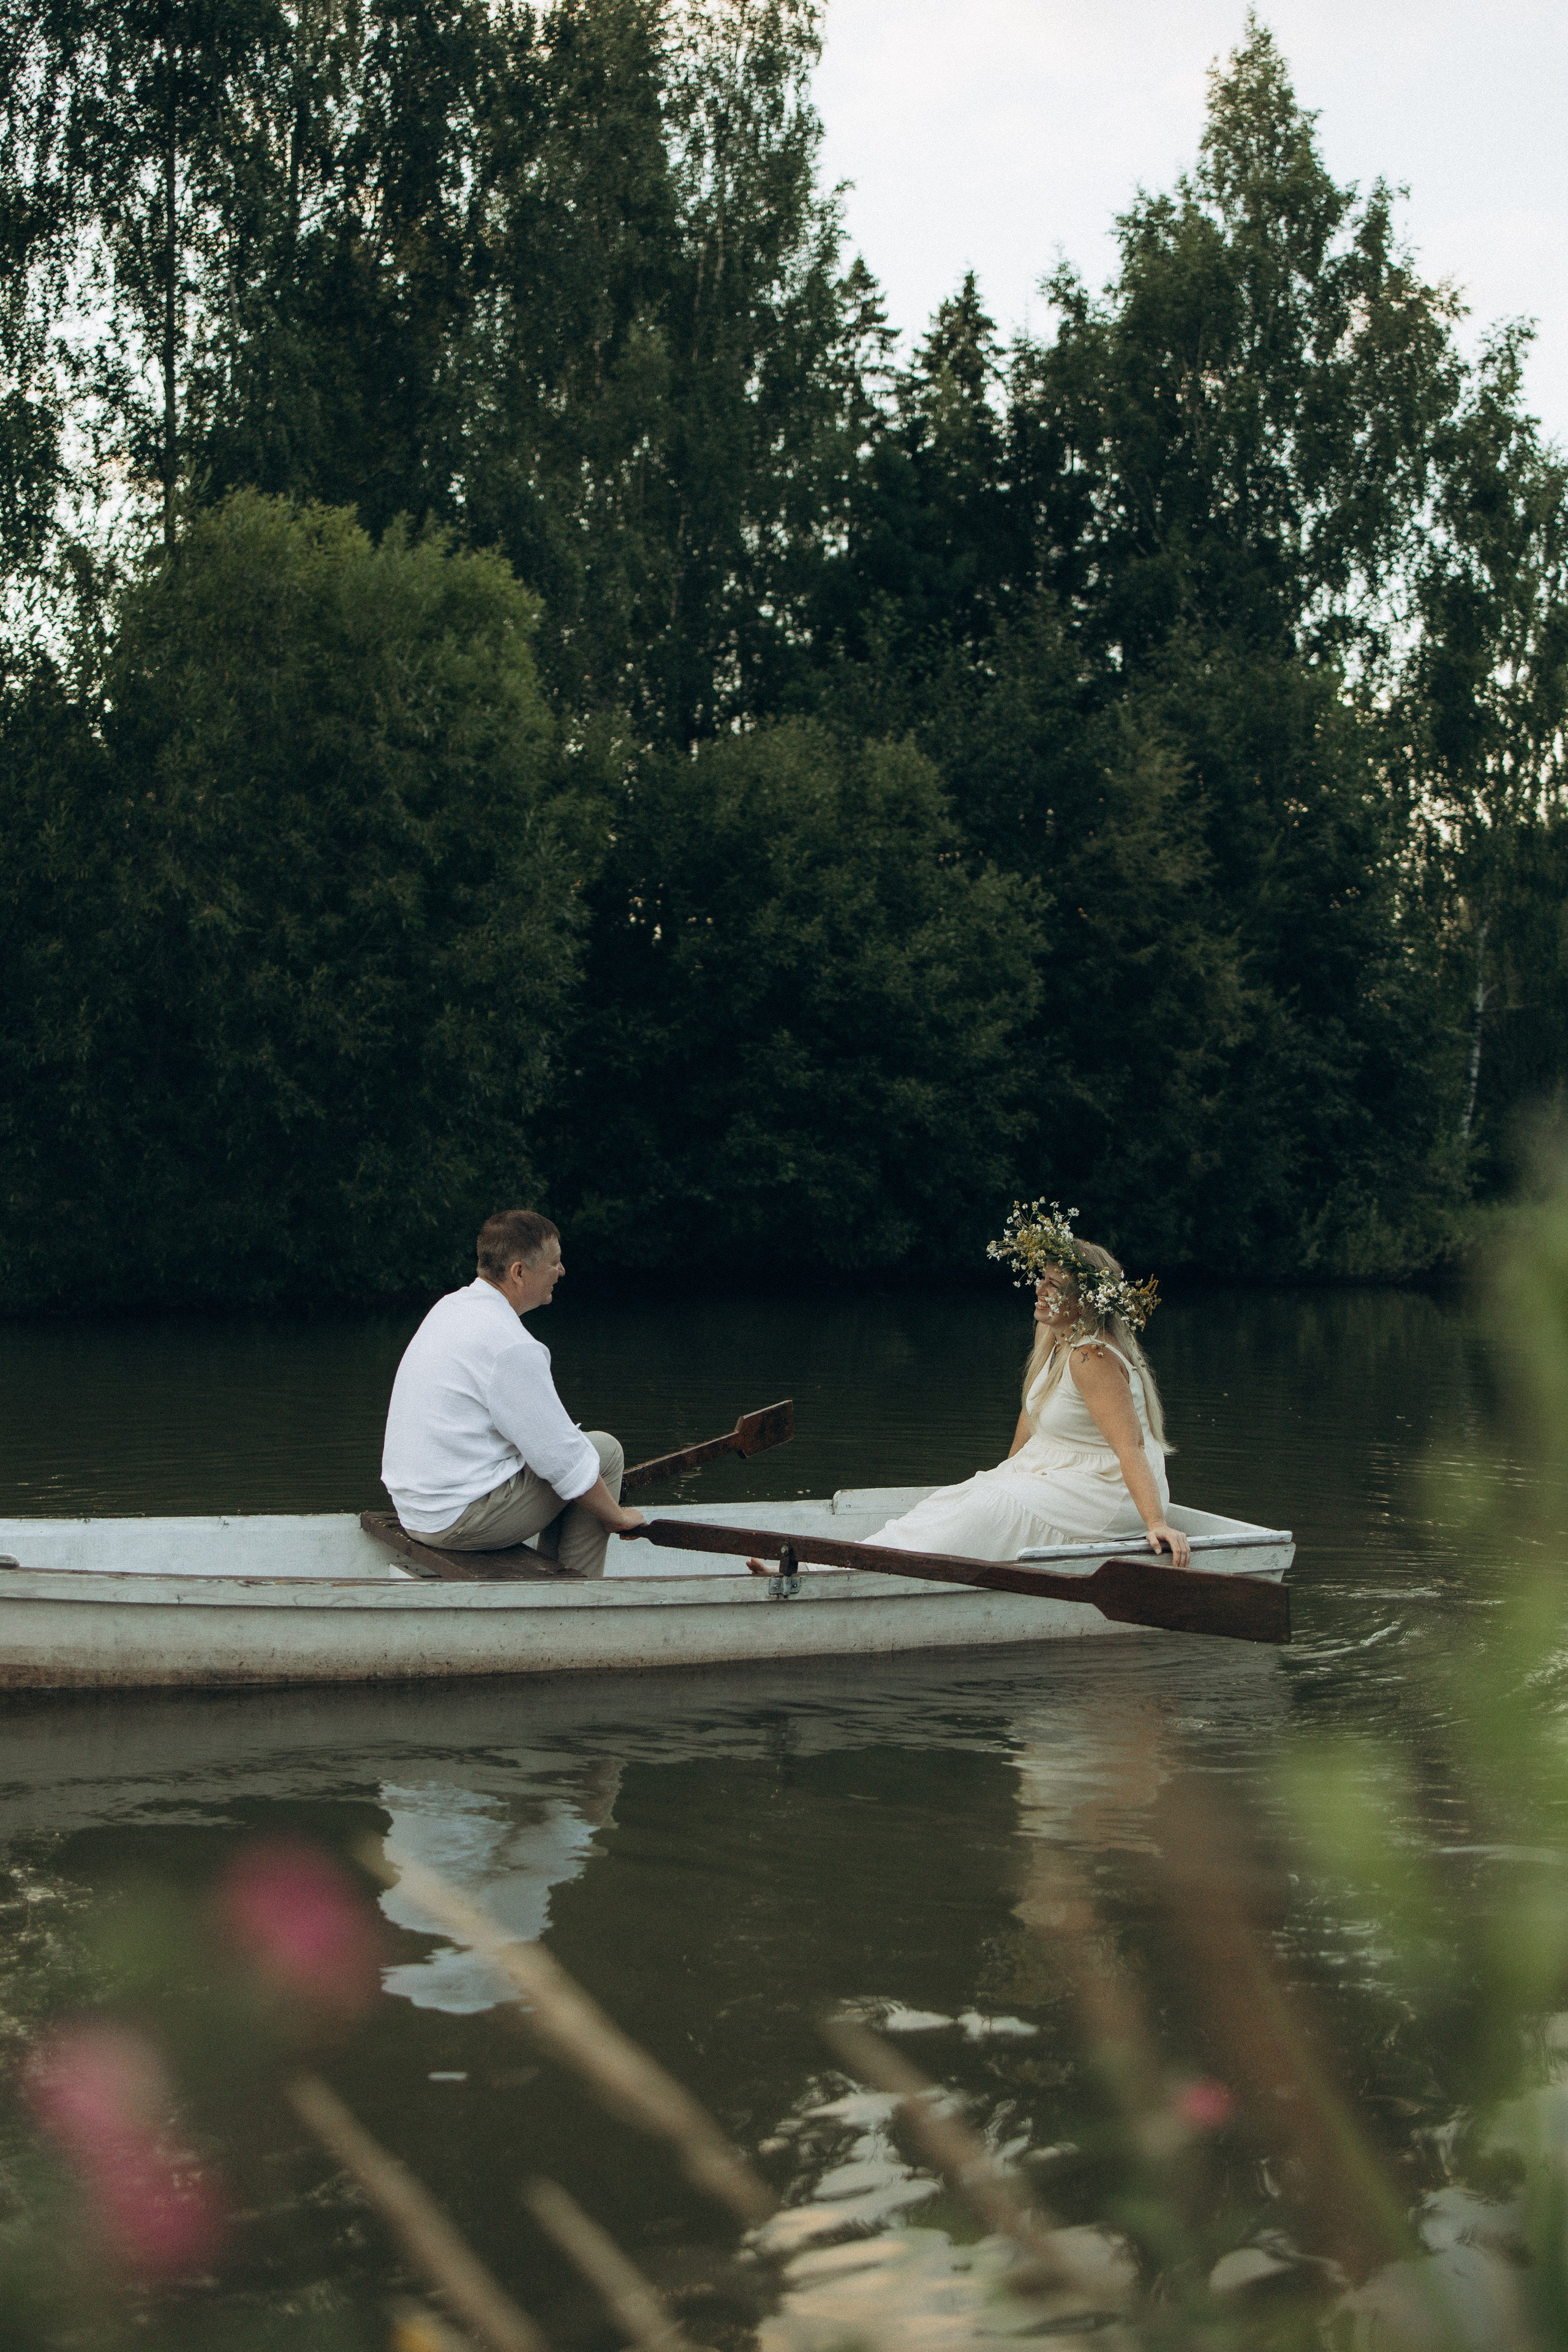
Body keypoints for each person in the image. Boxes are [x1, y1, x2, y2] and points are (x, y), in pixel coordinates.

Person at [867, 1200, 1191, 1569]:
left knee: (985, 1509)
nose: (1039, 1290)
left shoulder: (1092, 1358)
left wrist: (1156, 1523)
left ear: (1084, 1303)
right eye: (1042, 1279)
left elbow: (1130, 1446)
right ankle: (854, 1561)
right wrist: (1005, 1473)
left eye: (1054, 1285)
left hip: (1106, 1490)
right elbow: (1031, 1412)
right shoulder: (1051, 1333)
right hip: (1057, 1467)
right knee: (962, 1498)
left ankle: (876, 1568)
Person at [381, 1210, 646, 1577]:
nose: (562, 1271)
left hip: (417, 1510)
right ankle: (579, 1596)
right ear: (519, 1272)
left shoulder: (451, 1308)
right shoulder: (511, 1346)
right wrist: (616, 1516)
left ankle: (559, 1578)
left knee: (574, 1465)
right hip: (455, 1520)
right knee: (602, 1454)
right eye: (554, 1263)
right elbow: (564, 1457)